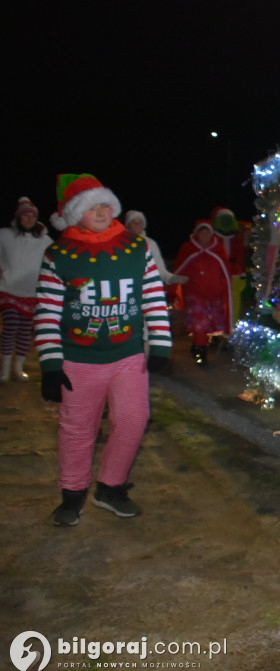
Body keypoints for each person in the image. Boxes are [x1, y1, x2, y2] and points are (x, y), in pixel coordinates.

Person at [35, 174, 172, 526]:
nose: (100, 211)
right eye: (90, 206)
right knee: (78, 429)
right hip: (77, 362)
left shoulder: (134, 247)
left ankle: (110, 487)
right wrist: (51, 365)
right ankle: (72, 495)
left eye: (104, 204)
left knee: (132, 420)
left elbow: (154, 297)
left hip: (127, 357)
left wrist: (160, 344)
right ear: (73, 214)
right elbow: (48, 312)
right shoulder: (59, 254)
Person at [1, 197, 52, 382]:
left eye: (32, 216)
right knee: (11, 326)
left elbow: (55, 259)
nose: (29, 219)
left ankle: (18, 368)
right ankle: (4, 370)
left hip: (31, 291)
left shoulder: (44, 240)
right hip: (8, 288)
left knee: (24, 331)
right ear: (18, 217)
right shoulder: (5, 235)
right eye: (25, 216)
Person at [173, 219, 232, 366]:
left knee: (208, 324)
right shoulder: (187, 248)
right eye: (202, 231)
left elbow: (225, 272)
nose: (205, 234)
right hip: (194, 294)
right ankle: (201, 352)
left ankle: (197, 346)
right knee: (200, 324)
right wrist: (171, 291)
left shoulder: (218, 250)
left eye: (207, 231)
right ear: (196, 233)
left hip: (215, 295)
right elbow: (178, 270)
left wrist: (224, 290)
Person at [124, 210, 187, 285]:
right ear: (128, 225)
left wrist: (169, 278)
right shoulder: (121, 242)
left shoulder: (150, 243)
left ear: (144, 225)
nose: (137, 224)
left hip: (146, 286)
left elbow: (159, 267)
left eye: (140, 222)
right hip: (126, 285)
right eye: (133, 222)